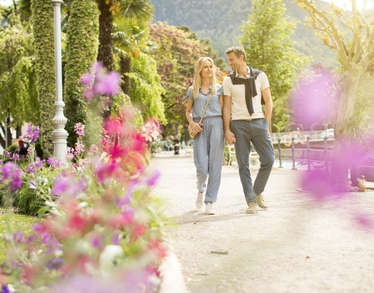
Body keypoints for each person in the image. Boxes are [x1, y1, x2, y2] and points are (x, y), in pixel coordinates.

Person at [222, 46, 274, 214]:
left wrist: (266, 123)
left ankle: (257, 191)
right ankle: (251, 202)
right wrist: (227, 130)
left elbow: (268, 101)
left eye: (232, 60)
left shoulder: (260, 76)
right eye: (228, 60)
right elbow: (227, 108)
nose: (230, 63)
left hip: (258, 122)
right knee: (243, 165)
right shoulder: (228, 80)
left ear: (241, 58)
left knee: (269, 159)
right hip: (239, 125)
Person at [185, 57, 224, 215]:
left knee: (215, 165)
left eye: (211, 66)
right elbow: (188, 111)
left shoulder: (219, 89)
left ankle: (210, 201)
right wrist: (192, 123)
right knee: (201, 166)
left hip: (217, 125)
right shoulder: (192, 90)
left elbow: (224, 110)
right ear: (200, 70)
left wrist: (228, 129)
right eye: (205, 67)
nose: (209, 69)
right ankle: (200, 190)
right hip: (199, 127)